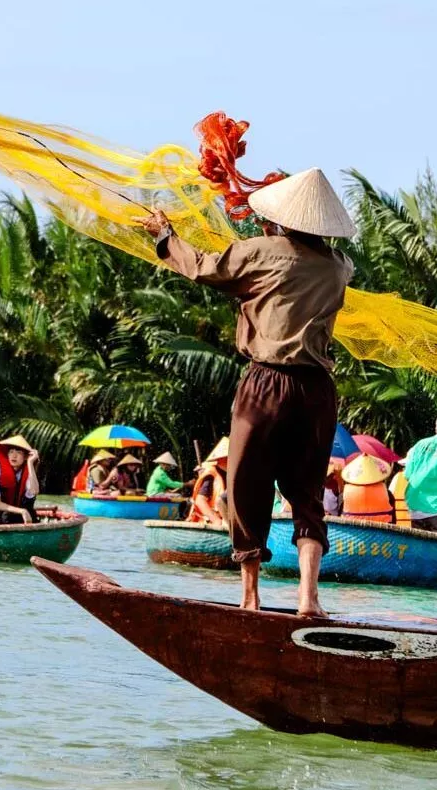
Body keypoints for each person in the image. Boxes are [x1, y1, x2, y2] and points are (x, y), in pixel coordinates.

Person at [141, 168, 355, 616]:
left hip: (266, 384)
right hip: (317, 391)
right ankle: (308, 598)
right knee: (308, 495)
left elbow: (203, 268)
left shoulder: (261, 252)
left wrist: (166, 237)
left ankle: (250, 597)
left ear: (282, 220)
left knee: (244, 487)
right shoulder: (340, 268)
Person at [0, 435, 40, 525]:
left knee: (32, 516)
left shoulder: (29, 473)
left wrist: (30, 463)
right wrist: (22, 511)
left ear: (26, 456)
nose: (14, 455)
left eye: (18, 452)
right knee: (4, 517)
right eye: (11, 452)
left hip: (22, 514)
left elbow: (34, 491)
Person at [340, 454, 394, 523]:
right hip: (381, 532)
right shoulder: (388, 494)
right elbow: (393, 521)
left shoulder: (345, 494)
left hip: (353, 532)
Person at [187, 438, 229, 525]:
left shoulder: (229, 474)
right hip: (207, 522)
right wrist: (216, 520)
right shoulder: (211, 475)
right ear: (222, 459)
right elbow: (200, 500)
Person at [388, 459, 411, 528]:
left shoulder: (398, 477)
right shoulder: (423, 478)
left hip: (399, 524)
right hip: (417, 525)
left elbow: (390, 497)